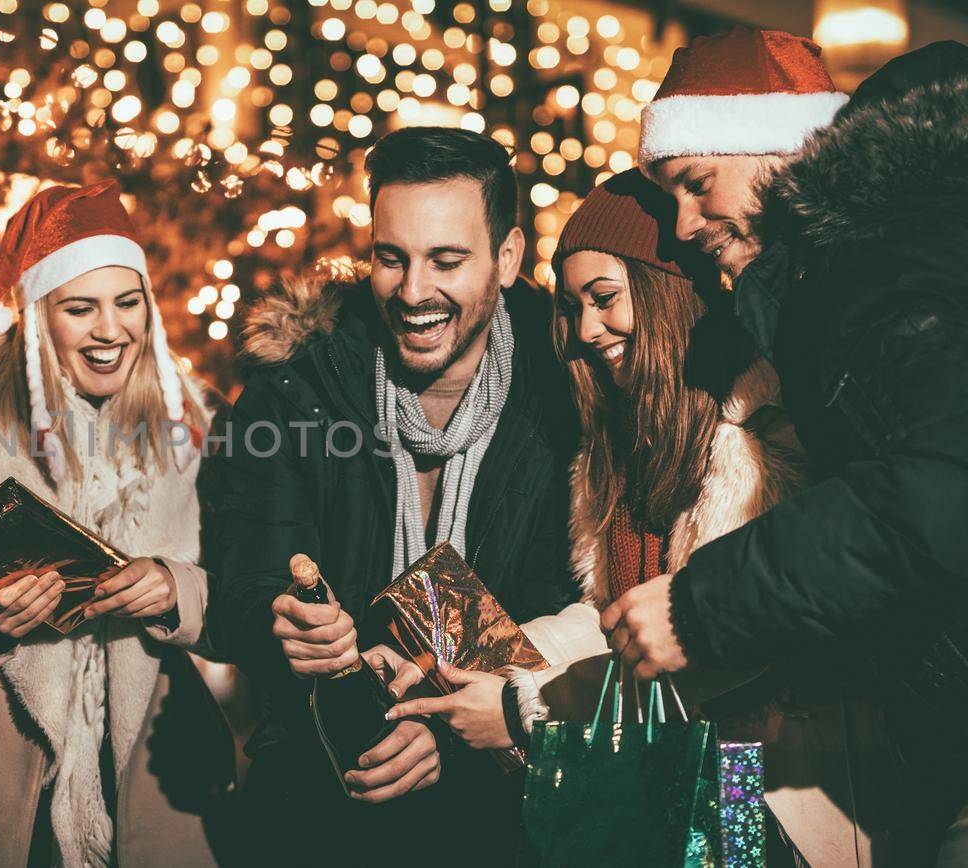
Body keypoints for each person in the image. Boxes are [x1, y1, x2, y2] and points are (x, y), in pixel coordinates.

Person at [387, 169, 894, 865]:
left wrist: (522, 710)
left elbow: (725, 644)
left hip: (764, 785)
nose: (587, 328)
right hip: (668, 783)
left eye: (604, 299)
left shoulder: (762, 429)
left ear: (663, 296)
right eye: (572, 308)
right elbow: (610, 615)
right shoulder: (621, 444)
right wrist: (472, 661)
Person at [603, 28, 968, 862]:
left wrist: (701, 607)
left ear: (784, 145)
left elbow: (941, 486)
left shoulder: (880, 265)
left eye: (697, 186)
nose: (687, 223)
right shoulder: (833, 287)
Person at [206, 127, 581, 863]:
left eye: (446, 260)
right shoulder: (297, 391)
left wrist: (449, 729)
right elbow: (245, 579)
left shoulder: (567, 397)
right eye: (391, 258)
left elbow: (566, 599)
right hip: (321, 795)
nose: (413, 292)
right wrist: (281, 624)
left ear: (506, 258)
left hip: (509, 808)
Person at [0, 181, 228, 868]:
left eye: (128, 303)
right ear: (36, 313)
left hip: (149, 766)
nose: (110, 330)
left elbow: (242, 589)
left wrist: (177, 589)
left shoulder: (190, 419)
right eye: (80, 308)